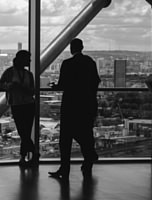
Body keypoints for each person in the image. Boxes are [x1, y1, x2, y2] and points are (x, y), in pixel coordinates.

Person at [48, 38, 101, 180]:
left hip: (71, 105)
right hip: (87, 105)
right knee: (86, 134)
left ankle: (64, 169)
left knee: (65, 139)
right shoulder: (90, 62)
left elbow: (62, 85)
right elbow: (96, 81)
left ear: (72, 49)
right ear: (82, 47)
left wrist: (55, 87)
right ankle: (88, 160)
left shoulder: (67, 64)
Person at [0, 50, 37, 168]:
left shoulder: (28, 74)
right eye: (28, 59)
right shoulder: (11, 72)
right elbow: (0, 85)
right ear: (22, 60)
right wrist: (10, 86)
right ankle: (32, 153)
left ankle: (23, 157)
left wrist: (18, 87)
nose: (29, 61)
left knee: (25, 132)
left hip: (26, 104)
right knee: (23, 132)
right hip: (19, 104)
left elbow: (32, 90)